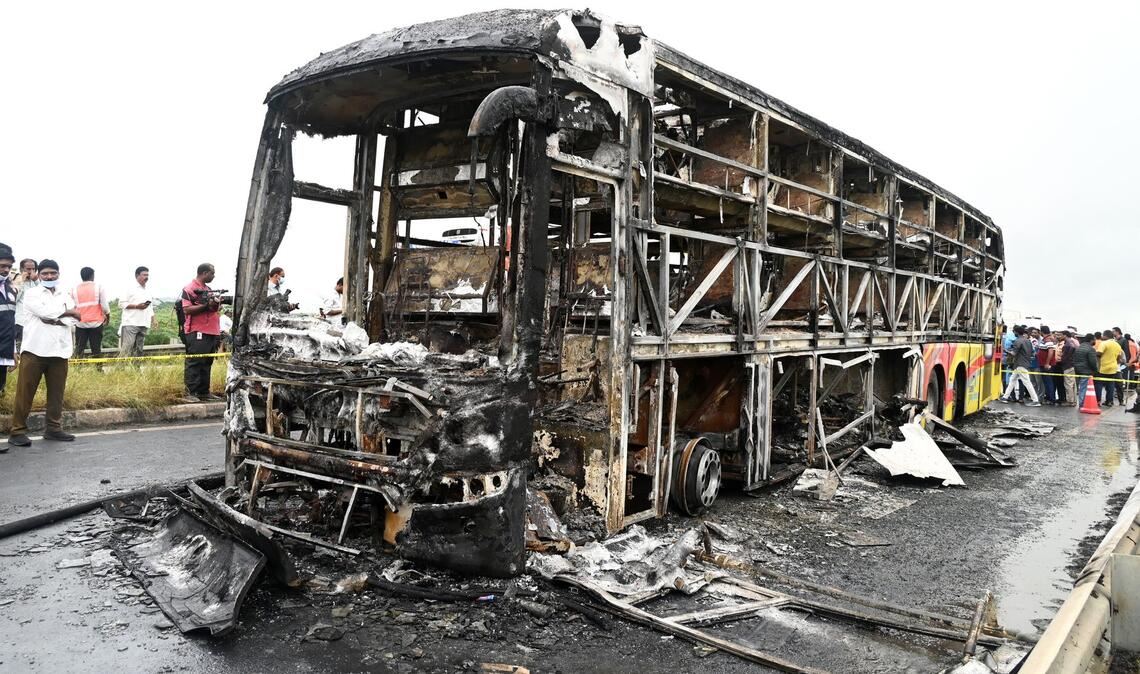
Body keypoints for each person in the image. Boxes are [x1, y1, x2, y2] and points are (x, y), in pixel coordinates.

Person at [8, 259, 78, 447]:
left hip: (60, 351)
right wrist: (65, 314)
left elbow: (74, 319)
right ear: (39, 275)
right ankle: (17, 431)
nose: (49, 276)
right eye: (45, 273)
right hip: (35, 350)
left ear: (58, 274)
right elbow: (45, 313)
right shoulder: (32, 293)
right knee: (25, 393)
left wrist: (59, 316)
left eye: (53, 273)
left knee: (57, 393)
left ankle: (53, 429)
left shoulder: (65, 294)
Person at [181, 263, 223, 403]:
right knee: (195, 361)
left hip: (211, 330)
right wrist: (206, 306)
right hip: (197, 330)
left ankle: (204, 392)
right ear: (204, 273)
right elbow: (187, 309)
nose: (213, 276)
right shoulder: (190, 288)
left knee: (207, 362)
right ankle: (190, 392)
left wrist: (216, 304)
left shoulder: (209, 289)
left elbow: (212, 309)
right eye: (212, 273)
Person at [71, 267, 109, 358]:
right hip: (96, 323)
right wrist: (108, 317)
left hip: (80, 323)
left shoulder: (74, 289)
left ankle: (77, 366)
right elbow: (104, 305)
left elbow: (72, 306)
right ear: (92, 276)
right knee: (96, 348)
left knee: (79, 348)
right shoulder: (98, 287)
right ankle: (98, 366)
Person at [118, 266, 154, 358]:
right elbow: (121, 304)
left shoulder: (148, 290)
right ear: (137, 275)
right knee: (127, 348)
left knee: (139, 350)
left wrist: (153, 319)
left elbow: (150, 306)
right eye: (144, 275)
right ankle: (120, 367)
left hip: (144, 323)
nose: (146, 277)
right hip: (131, 323)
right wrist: (137, 306)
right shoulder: (129, 288)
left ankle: (136, 367)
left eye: (147, 275)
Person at [1000, 326, 1040, 406]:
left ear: (1016, 332)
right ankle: (1005, 397)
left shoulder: (1017, 341)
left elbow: (1014, 353)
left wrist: (1005, 351)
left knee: (1027, 382)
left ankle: (1035, 400)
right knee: (1012, 380)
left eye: (1014, 331)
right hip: (1024, 363)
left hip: (1019, 364)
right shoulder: (1028, 341)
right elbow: (1032, 353)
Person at [0, 245, 16, 399]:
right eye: (2, 266)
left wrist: (13, 350)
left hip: (4, 350)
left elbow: (10, 322)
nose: (6, 270)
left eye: (9, 267)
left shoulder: (10, 290)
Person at [1095, 329, 1125, 407]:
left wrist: (1098, 365)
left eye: (1103, 335)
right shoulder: (1117, 345)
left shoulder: (1104, 343)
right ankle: (1109, 401)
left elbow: (1098, 354)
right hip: (1113, 368)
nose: (1102, 336)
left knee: (1099, 384)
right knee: (1110, 384)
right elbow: (1119, 358)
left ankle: (1098, 401)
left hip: (1103, 367)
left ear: (1106, 336)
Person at [1075, 333, 1099, 407]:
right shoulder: (1091, 349)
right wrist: (1096, 370)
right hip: (1086, 371)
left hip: (1078, 370)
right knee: (1084, 388)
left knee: (1081, 387)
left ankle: (1081, 402)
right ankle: (1082, 404)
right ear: (1091, 340)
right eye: (1094, 340)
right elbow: (1093, 362)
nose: (1095, 341)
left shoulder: (1079, 347)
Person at [1059, 330, 1078, 407]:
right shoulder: (1073, 342)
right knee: (1073, 384)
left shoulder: (1067, 345)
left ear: (1065, 335)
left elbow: (1064, 357)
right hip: (1072, 365)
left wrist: (1061, 360)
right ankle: (1074, 400)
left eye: (1061, 335)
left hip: (1067, 366)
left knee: (1068, 384)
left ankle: (1070, 401)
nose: (1060, 337)